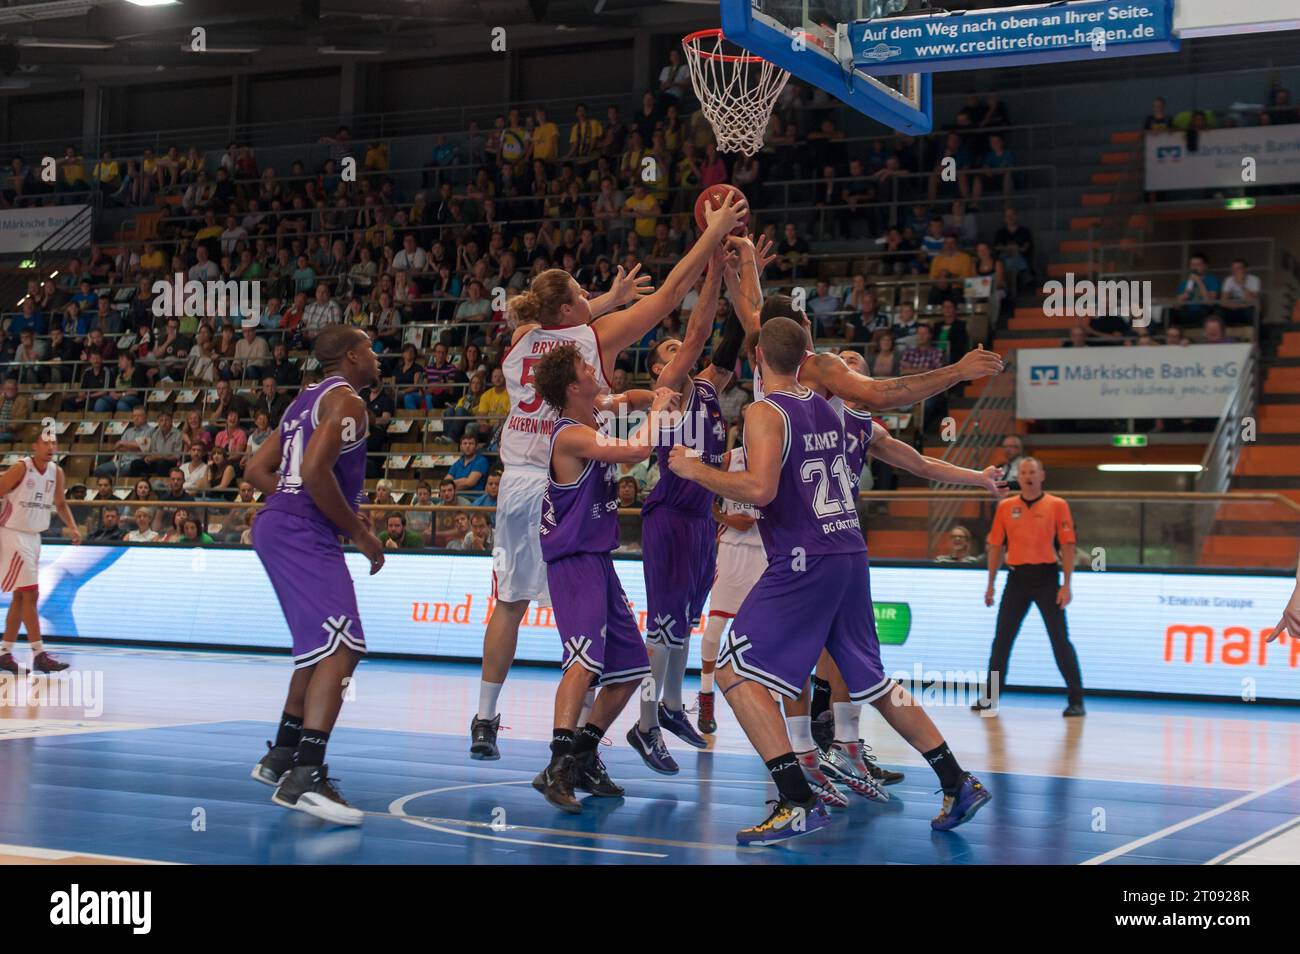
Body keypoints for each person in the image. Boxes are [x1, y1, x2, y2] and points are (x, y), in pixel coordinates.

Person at [667, 317, 991, 844]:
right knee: (873, 682)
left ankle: (796, 799)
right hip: (849, 550)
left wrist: (692, 469)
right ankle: (957, 780)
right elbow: (870, 395)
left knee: (732, 672)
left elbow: (760, 488)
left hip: (804, 558)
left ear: (754, 362)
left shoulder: (763, 411)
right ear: (808, 362)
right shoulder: (828, 408)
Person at [469, 189, 749, 761]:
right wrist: (712, 232)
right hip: (569, 475)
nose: (591, 301)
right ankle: (577, 742)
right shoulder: (590, 340)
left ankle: (484, 719)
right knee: (590, 620)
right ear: (574, 311)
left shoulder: (522, 340)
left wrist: (602, 299)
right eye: (584, 295)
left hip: (517, 482)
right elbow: (673, 294)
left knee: (509, 605)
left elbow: (554, 315)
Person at [244, 325, 386, 825]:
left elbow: (256, 469)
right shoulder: (348, 404)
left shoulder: (304, 400)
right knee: (345, 646)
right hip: (303, 531)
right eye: (370, 347)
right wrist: (359, 533)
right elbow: (312, 472)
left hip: (280, 525)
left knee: (320, 647)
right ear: (351, 356)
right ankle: (307, 774)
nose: (376, 355)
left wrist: (296, 504)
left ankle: (282, 753)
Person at [528, 342, 677, 812]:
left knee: (632, 668)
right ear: (573, 386)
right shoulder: (569, 434)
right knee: (584, 661)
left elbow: (624, 398)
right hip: (573, 562)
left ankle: (585, 752)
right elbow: (634, 449)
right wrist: (657, 408)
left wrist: (650, 392)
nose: (594, 369)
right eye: (585, 367)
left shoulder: (594, 409)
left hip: (598, 559)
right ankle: (557, 764)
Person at [630, 244, 745, 770]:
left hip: (701, 523)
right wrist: (714, 268)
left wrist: (744, 280)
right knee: (661, 628)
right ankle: (645, 725)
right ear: (661, 365)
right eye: (670, 348)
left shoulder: (706, 386)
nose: (683, 349)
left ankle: (673, 706)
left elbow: (732, 338)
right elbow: (700, 331)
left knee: (683, 625)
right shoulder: (669, 388)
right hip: (671, 518)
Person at [981, 457, 1085, 717]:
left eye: (1032, 472)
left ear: (1042, 476)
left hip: (1047, 578)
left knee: (1060, 640)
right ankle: (990, 699)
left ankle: (1076, 700)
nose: (1027, 476)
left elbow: (1068, 545)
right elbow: (996, 546)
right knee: (1001, 641)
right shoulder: (1006, 507)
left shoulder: (1057, 505)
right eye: (1023, 472)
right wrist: (991, 584)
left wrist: (1067, 584)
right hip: (1016, 578)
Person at [0, 433, 82, 676]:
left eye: (54, 443)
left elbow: (60, 503)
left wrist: (73, 526)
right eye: (45, 443)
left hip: (35, 536)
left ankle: (5, 653)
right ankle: (39, 655)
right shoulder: (21, 468)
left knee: (20, 597)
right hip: (13, 533)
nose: (50, 447)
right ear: (34, 446)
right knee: (31, 593)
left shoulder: (56, 472)